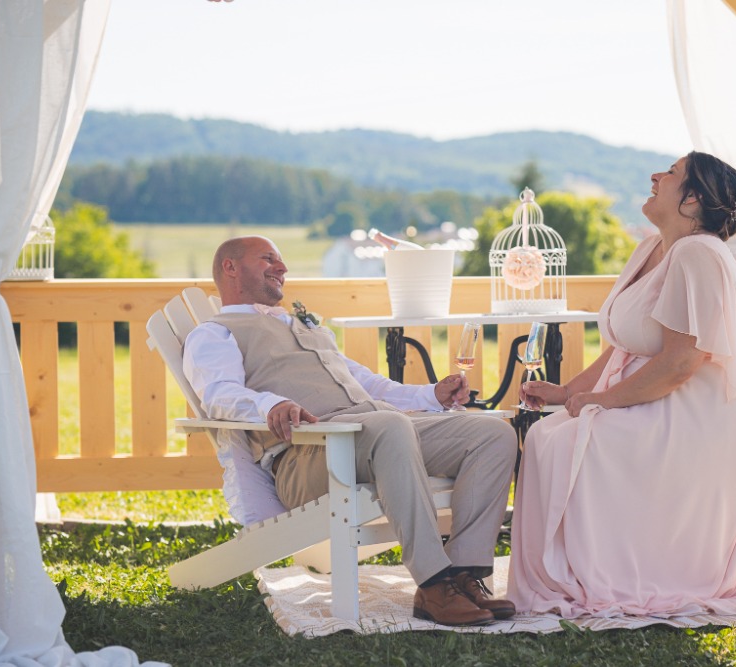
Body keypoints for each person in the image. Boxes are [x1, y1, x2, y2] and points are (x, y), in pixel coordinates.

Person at [183, 235, 518, 626]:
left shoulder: (303, 328)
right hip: (310, 452)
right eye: (268, 259)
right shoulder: (215, 333)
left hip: (375, 428)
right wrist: (269, 404)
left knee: (493, 434)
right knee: (390, 424)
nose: (282, 267)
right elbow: (219, 394)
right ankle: (433, 585)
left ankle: (464, 575)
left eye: (281, 260)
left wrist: (431, 393)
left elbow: (365, 383)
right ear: (230, 267)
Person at [508, 151, 736, 618]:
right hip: (660, 389)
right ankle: (574, 570)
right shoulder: (652, 249)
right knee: (547, 432)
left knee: (572, 438)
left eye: (672, 173)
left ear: (693, 199)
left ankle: (618, 574)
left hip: (701, 408)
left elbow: (681, 362)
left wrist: (600, 402)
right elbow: (625, 345)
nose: (656, 176)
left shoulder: (700, 254)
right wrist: (567, 391)